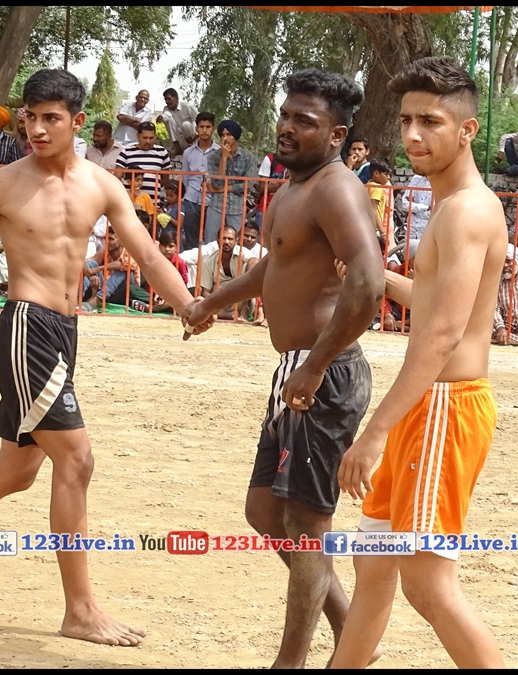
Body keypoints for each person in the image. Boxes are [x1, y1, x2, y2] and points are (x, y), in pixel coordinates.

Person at [0, 69, 208, 648]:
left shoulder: (102, 185)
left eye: (50, 118)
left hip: (64, 332)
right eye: (30, 117)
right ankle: (80, 610)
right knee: (76, 461)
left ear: (77, 122)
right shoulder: (2, 183)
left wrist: (188, 305)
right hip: (25, 329)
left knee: (16, 470)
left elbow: (149, 256)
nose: (36, 128)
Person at [184, 68, 383, 668]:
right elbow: (275, 267)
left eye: (305, 121)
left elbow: (367, 285)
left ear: (337, 134)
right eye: (286, 115)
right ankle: (353, 633)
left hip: (325, 374)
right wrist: (212, 302)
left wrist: (315, 366)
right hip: (298, 371)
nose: (288, 127)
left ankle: (291, 663)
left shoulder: (336, 189)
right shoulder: (295, 187)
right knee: (265, 511)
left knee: (306, 526)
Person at [331, 56, 509, 669]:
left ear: (467, 129)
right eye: (406, 120)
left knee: (429, 586)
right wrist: (377, 278)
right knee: (374, 565)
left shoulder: (465, 211)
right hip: (427, 405)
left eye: (430, 121)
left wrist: (373, 432)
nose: (412, 135)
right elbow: (436, 303)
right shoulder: (454, 205)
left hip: (443, 408)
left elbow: (442, 334)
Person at [204, 120, 256, 242]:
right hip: (217, 205)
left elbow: (248, 185)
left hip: (237, 207)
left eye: (228, 134)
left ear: (236, 136)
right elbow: (217, 184)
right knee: (210, 242)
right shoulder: (213, 157)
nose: (225, 138)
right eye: (222, 135)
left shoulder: (248, 157)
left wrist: (223, 189)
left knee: (235, 242)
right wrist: (224, 158)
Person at [179, 113, 218, 251]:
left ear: (213, 129)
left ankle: (208, 262)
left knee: (211, 238)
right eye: (201, 127)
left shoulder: (219, 152)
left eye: (208, 127)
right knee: (191, 237)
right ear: (196, 129)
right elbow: (185, 177)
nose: (204, 130)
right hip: (191, 199)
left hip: (212, 200)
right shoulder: (188, 153)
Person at [115, 122, 170, 201]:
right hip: (130, 201)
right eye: (145, 138)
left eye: (151, 138)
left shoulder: (162, 152)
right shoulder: (126, 151)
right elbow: (117, 177)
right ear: (138, 136)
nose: (148, 141)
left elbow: (165, 179)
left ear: (155, 136)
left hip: (153, 202)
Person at [158, 88, 198, 158]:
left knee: (185, 125)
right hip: (180, 141)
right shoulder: (166, 108)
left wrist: (195, 137)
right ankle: (177, 148)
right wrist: (161, 117)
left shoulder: (187, 107)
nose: (167, 102)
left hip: (193, 139)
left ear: (176, 98)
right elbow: (166, 115)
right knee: (168, 120)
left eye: (169, 99)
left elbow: (199, 120)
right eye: (165, 100)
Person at [366, 160, 392, 246]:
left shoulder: (368, 185)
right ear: (376, 173)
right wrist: (383, 232)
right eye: (385, 174)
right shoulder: (377, 188)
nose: (388, 177)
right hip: (374, 228)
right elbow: (373, 210)